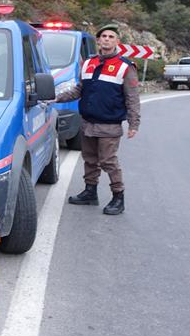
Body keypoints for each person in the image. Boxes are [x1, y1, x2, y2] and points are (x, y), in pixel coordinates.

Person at [55, 23, 140, 215]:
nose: (107, 39)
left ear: (117, 42)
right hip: (88, 123)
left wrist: (134, 123)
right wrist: (57, 98)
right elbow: (79, 89)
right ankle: (90, 192)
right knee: (90, 159)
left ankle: (118, 197)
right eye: (104, 36)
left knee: (108, 161)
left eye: (111, 37)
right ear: (98, 40)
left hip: (109, 125)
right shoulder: (88, 63)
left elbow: (132, 97)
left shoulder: (125, 67)